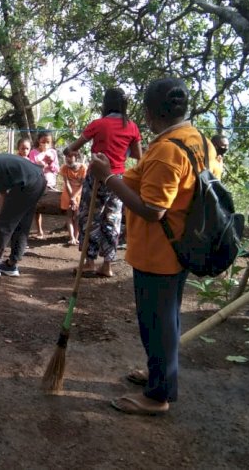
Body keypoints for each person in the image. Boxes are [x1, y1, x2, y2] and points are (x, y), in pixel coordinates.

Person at [90, 77, 222, 416]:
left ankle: (159, 395)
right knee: (167, 319)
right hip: (182, 248)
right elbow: (161, 180)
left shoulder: (166, 150)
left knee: (157, 322)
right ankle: (158, 373)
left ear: (149, 114)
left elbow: (153, 209)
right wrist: (116, 174)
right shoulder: (197, 141)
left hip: (159, 253)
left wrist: (106, 179)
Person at [64, 87, 142, 278]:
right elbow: (138, 155)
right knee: (112, 220)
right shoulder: (131, 126)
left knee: (89, 218)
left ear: (106, 104)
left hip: (97, 177)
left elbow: (72, 148)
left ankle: (89, 262)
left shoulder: (98, 124)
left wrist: (69, 151)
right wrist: (121, 151)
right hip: (118, 180)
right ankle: (107, 265)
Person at [28, 129, 58, 239]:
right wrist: (41, 165)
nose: (45, 144)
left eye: (48, 142)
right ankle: (39, 230)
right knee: (37, 207)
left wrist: (50, 163)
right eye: (43, 141)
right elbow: (31, 168)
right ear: (38, 141)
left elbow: (56, 169)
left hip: (50, 183)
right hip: (37, 183)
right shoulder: (33, 153)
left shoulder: (53, 152)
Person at [59, 150, 87, 245]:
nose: (68, 159)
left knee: (77, 216)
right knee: (70, 215)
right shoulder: (64, 168)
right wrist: (71, 197)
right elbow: (66, 183)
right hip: (68, 193)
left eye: (70, 157)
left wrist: (74, 197)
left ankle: (76, 237)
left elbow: (83, 185)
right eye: (67, 156)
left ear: (76, 157)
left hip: (79, 193)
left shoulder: (83, 168)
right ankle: (71, 238)